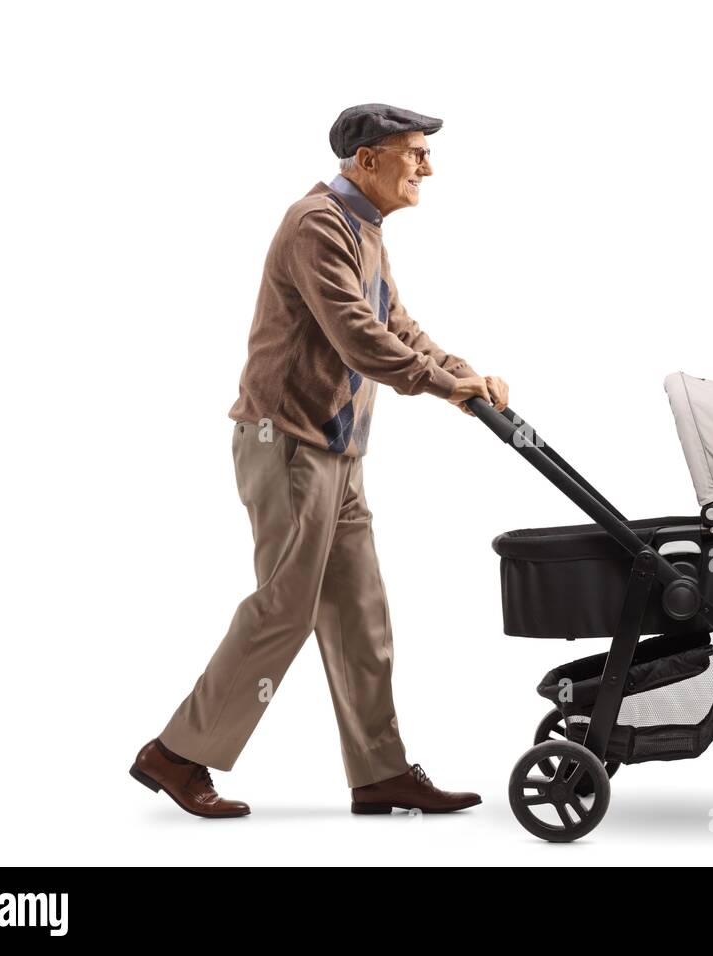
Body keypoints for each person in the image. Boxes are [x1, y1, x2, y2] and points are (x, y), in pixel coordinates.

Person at [130, 103, 508, 818]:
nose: (428, 166)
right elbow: (358, 337)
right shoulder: (317, 225)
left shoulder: (363, 230)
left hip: (337, 450)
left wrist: (465, 374)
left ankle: (380, 771)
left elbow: (397, 325)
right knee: (284, 608)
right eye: (414, 153)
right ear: (366, 160)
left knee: (360, 612)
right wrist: (440, 386)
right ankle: (176, 755)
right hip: (288, 444)